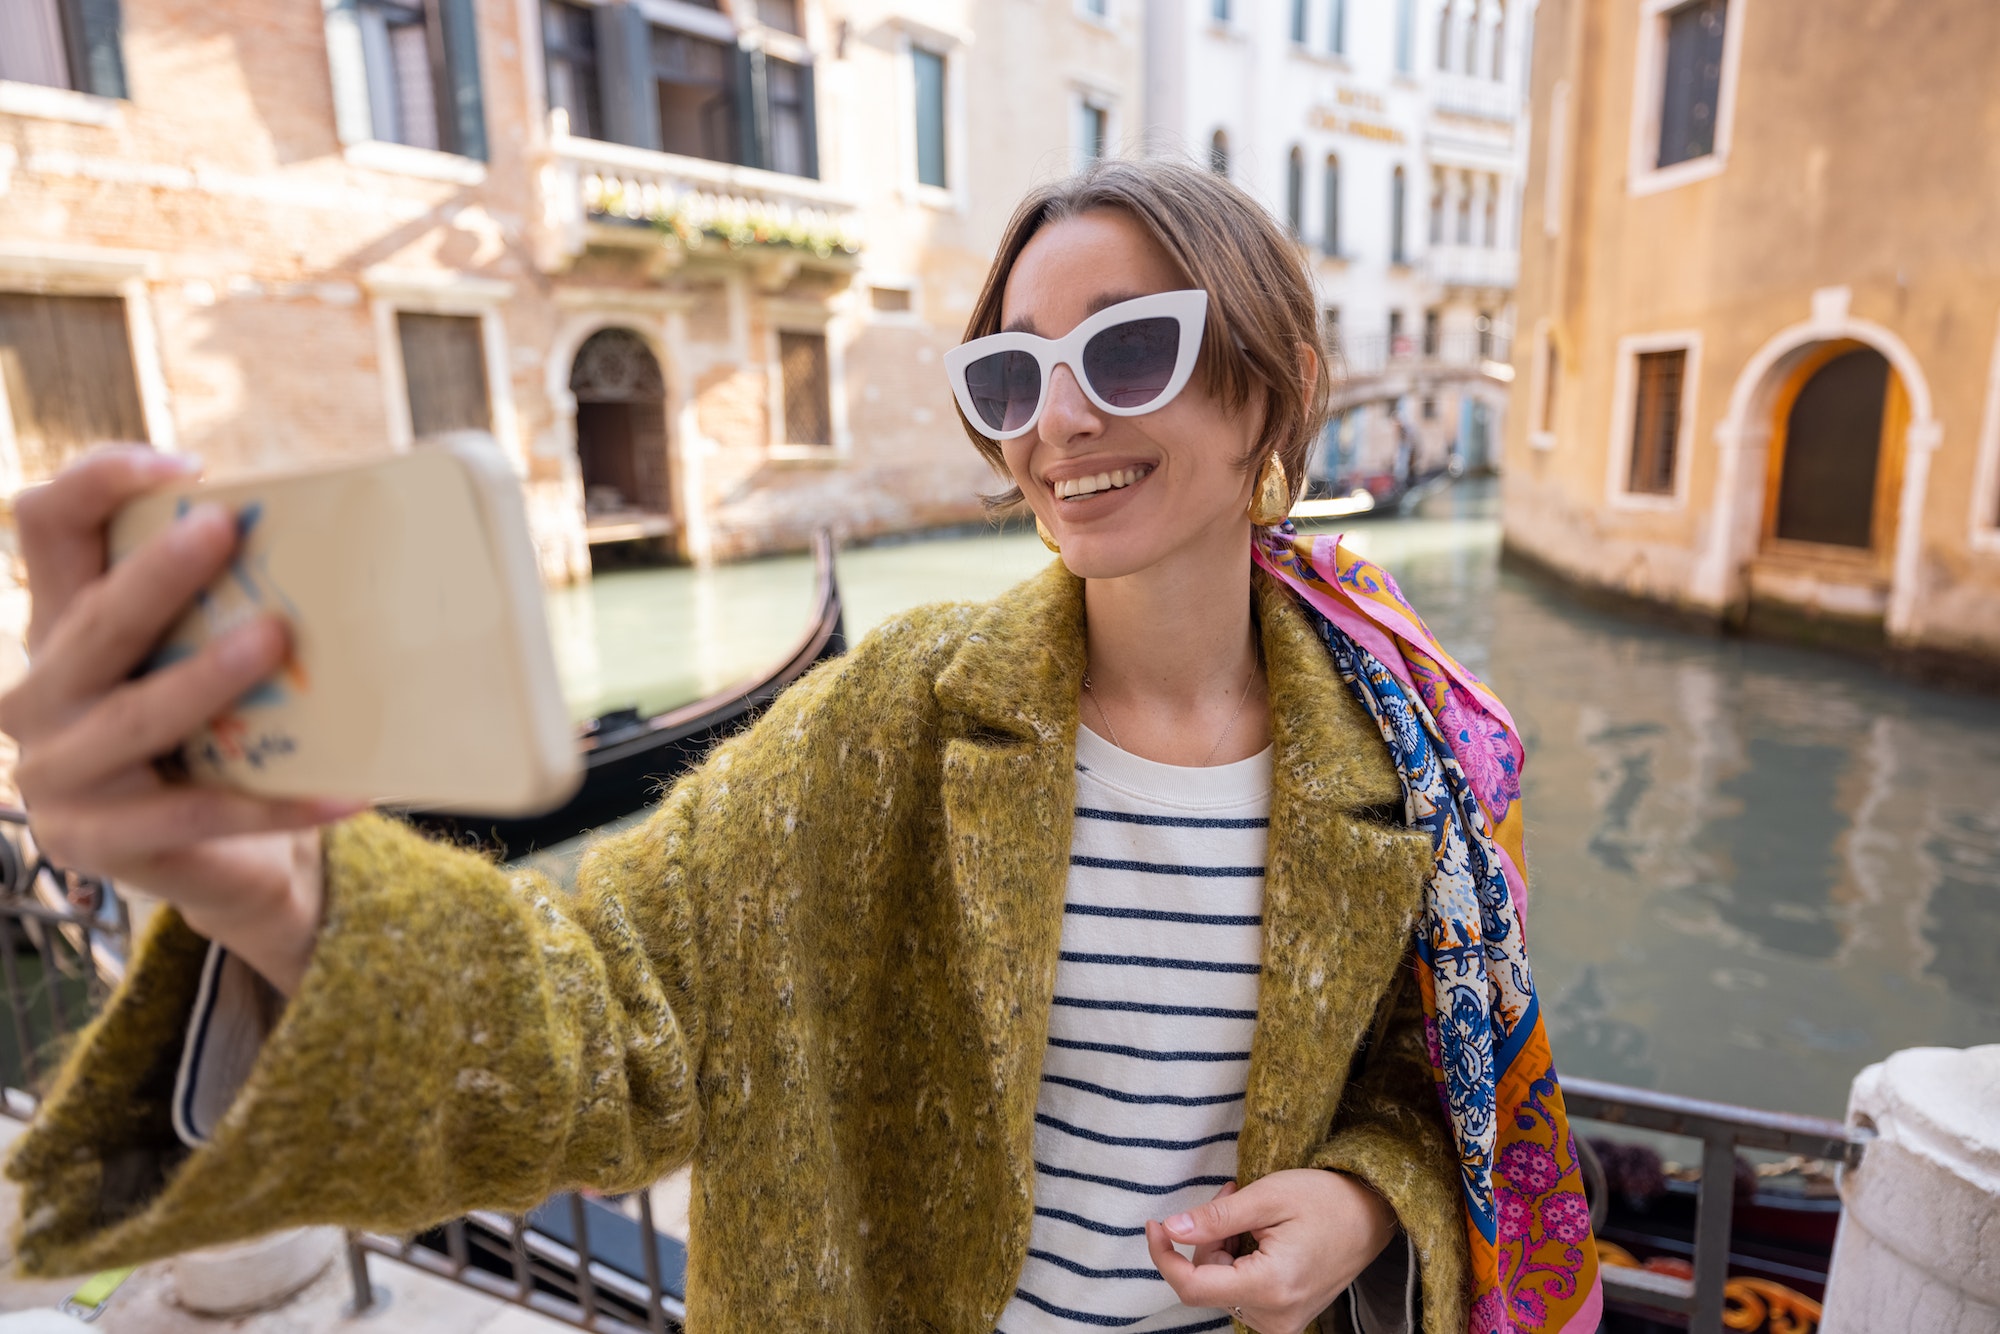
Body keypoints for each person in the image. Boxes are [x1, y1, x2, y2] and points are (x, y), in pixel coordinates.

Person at [0, 160, 1598, 1334]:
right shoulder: (882, 722)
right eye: (1008, 375)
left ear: (1276, 389)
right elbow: (613, 1017)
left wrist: (1363, 1201)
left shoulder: (1410, 761)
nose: (1056, 422)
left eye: (1127, 351)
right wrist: (296, 897)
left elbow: (1425, 1089)